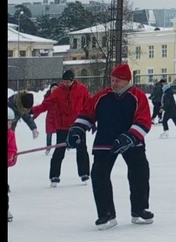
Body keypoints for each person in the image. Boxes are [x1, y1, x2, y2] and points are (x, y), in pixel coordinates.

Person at [66, 64, 154, 230]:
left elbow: (144, 120)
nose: (114, 83)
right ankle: (106, 214)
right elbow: (87, 113)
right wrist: (77, 130)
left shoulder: (138, 96)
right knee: (99, 175)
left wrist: (129, 137)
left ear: (127, 81)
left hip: (131, 142)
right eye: (112, 80)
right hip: (104, 142)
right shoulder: (102, 96)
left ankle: (139, 209)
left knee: (140, 173)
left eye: (118, 81)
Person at [31, 70, 91, 186]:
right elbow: (46, 104)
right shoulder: (58, 91)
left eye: (68, 81)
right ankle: (54, 176)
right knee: (59, 150)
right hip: (62, 126)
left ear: (73, 80)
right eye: (63, 81)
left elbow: (89, 104)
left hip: (78, 125)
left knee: (82, 149)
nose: (65, 83)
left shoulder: (82, 89)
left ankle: (84, 173)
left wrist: (90, 120)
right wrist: (33, 110)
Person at [41, 83, 59, 153]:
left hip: (59, 117)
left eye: (56, 87)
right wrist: (34, 116)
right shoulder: (47, 97)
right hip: (50, 118)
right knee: (49, 133)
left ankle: (62, 146)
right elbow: (43, 107)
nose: (54, 89)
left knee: (61, 133)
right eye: (53, 87)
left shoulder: (61, 96)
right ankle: (48, 148)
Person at [8, 107, 18, 223]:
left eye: (10, 123)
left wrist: (11, 157)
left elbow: (12, 149)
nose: (9, 125)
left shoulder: (11, 134)